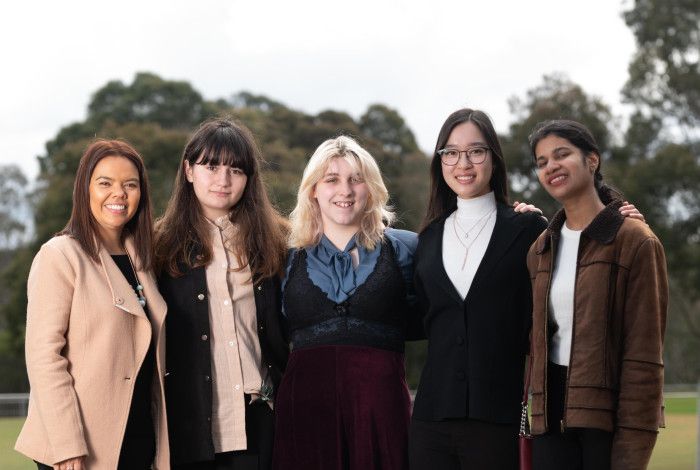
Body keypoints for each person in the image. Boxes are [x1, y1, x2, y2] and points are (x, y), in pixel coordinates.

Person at [409, 109, 644, 469]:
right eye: (451, 152)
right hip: (430, 422)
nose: (463, 163)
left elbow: (579, 265)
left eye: (476, 150)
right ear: (440, 160)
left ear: (494, 157)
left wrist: (619, 218)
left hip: (501, 420)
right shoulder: (427, 239)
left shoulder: (528, 229)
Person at [15, 140, 170, 470]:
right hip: (82, 443)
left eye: (130, 185)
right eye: (105, 183)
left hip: (139, 435)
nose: (119, 194)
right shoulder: (60, 256)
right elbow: (44, 357)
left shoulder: (144, 259)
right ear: (84, 190)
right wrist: (66, 443)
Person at [527, 119, 667, 470]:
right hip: (550, 418)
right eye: (542, 162)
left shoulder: (635, 240)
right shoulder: (540, 248)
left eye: (562, 154)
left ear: (592, 160)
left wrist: (633, 445)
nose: (551, 166)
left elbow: (644, 355)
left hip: (606, 419)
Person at [272, 136, 419, 470]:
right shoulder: (284, 260)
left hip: (382, 415)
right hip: (304, 416)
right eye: (332, 180)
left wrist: (514, 219)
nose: (345, 190)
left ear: (372, 188)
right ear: (313, 189)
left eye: (356, 179)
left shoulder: (407, 249)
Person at [154, 118, 289, 470]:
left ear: (249, 178)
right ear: (188, 170)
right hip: (190, 420)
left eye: (235, 169)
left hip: (260, 418)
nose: (223, 179)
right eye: (211, 166)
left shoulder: (278, 241)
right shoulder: (158, 247)